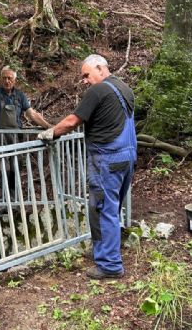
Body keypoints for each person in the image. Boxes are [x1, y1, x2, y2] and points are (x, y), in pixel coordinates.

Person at [38, 54, 137, 279]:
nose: (84, 80)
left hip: (107, 159)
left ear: (100, 69)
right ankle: (111, 255)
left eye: (86, 74)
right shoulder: (125, 88)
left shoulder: (98, 91)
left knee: (103, 211)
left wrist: (50, 133)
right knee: (112, 210)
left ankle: (110, 265)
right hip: (127, 158)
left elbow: (73, 121)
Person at [0, 66, 52, 198]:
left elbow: (32, 114)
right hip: (0, 137)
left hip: (16, 138)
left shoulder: (20, 95)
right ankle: (3, 199)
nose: (7, 81)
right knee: (3, 168)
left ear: (14, 80)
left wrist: (48, 126)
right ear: (0, 78)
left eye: (10, 78)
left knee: (16, 168)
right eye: (4, 78)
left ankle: (15, 199)